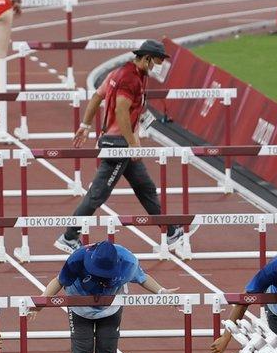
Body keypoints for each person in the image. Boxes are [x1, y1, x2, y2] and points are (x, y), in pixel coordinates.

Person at [60, 40, 187, 256]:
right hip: (118, 144)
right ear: (146, 59)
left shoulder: (120, 72)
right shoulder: (130, 79)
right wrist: (132, 142)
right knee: (97, 194)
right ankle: (69, 236)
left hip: (118, 142)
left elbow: (97, 96)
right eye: (154, 63)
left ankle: (171, 230)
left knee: (145, 187)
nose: (155, 68)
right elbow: (120, 110)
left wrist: (85, 125)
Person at [40, 240, 170, 353]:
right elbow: (59, 281)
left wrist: (162, 293)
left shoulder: (128, 262)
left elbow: (143, 278)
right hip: (80, 309)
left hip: (111, 309)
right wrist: (40, 303)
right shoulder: (77, 259)